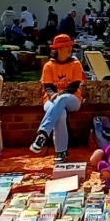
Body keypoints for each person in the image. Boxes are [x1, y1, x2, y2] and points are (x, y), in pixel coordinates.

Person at [30, 34, 86, 162]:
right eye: (67, 46)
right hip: (51, 100)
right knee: (60, 113)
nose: (70, 49)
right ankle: (61, 152)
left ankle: (43, 133)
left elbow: (75, 85)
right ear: (59, 49)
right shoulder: (49, 65)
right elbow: (48, 86)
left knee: (62, 99)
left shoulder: (76, 64)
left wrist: (59, 94)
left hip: (72, 99)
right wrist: (52, 95)